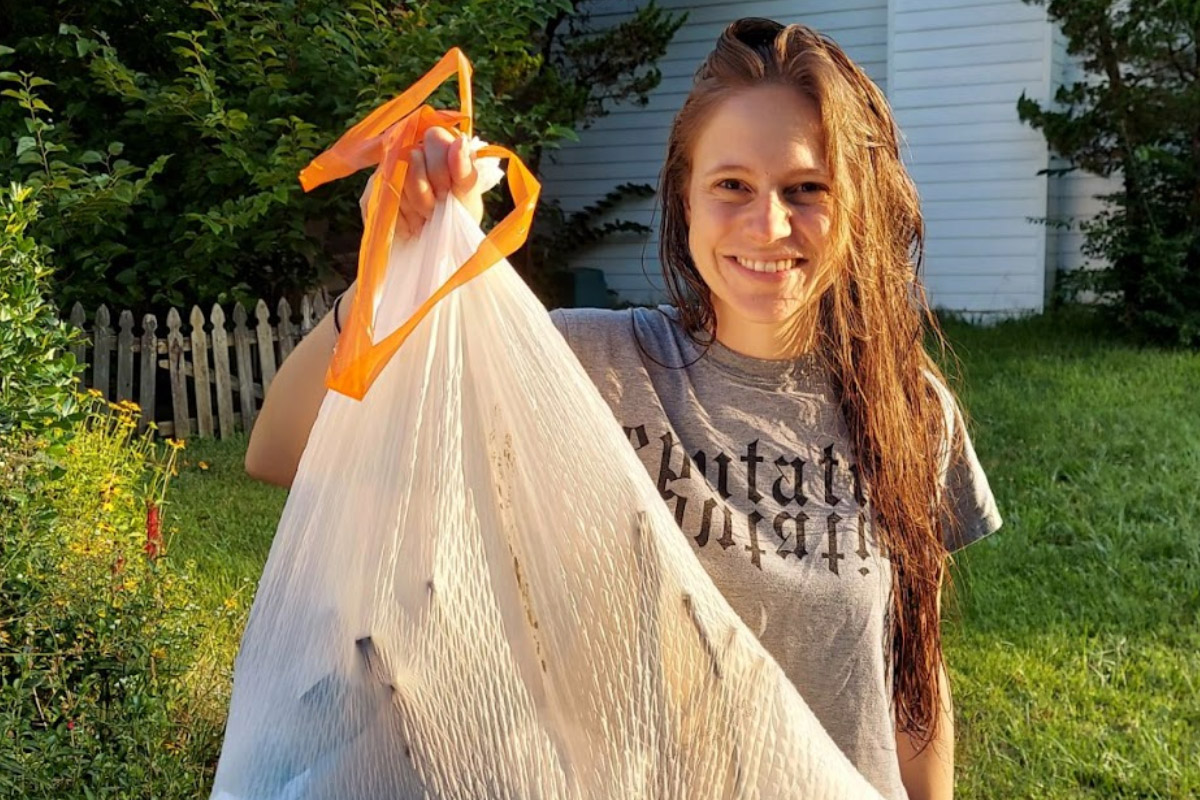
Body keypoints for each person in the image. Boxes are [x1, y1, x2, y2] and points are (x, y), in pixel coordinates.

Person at [245, 18, 1002, 800]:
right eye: (731, 185)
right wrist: (393, 255)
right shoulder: (589, 368)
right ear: (685, 197)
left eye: (807, 188)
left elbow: (913, 674)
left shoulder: (909, 410)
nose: (768, 225)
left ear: (856, 205)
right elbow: (283, 448)